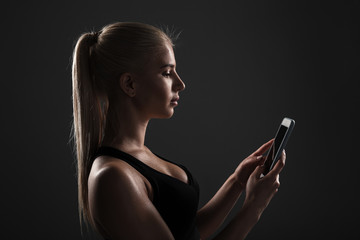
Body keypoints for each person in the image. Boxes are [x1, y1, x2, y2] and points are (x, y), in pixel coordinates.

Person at [71, 22, 286, 240]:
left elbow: (187, 233)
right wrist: (253, 209)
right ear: (130, 84)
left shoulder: (135, 158)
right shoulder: (113, 177)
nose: (180, 84)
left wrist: (237, 182)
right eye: (166, 73)